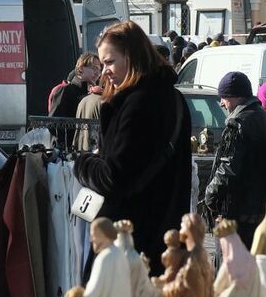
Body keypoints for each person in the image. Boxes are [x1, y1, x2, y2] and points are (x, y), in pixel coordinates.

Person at [74, 21, 192, 275]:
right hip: (165, 241)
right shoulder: (173, 98)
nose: (104, 71)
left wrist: (83, 163)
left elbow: (114, 177)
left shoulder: (138, 104)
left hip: (130, 244)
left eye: (109, 62)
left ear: (132, 57)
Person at [201, 71, 266, 246]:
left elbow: (228, 168)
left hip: (239, 211)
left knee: (232, 266)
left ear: (235, 97)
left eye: (224, 97)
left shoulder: (238, 123)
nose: (221, 103)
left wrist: (210, 196)